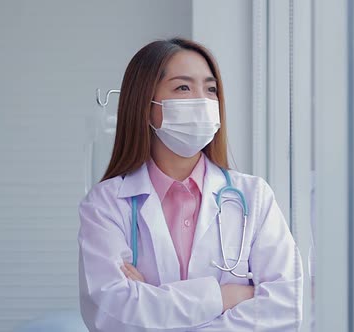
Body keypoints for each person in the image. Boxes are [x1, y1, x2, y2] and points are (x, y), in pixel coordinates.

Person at [78, 38, 302, 331]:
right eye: (183, 87)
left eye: (210, 89)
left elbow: (285, 308)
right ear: (145, 105)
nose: (202, 100)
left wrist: (152, 303)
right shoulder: (106, 204)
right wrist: (223, 298)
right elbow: (109, 314)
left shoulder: (254, 197)